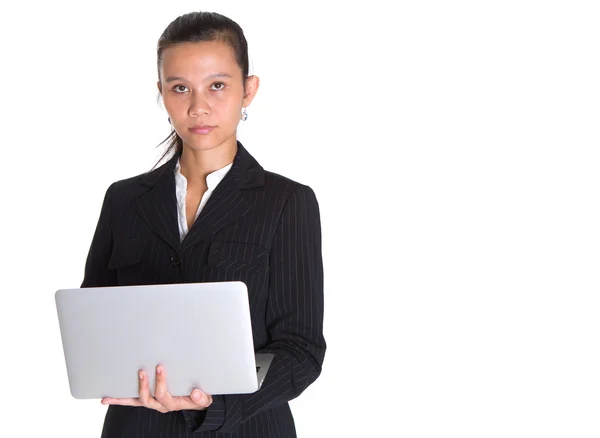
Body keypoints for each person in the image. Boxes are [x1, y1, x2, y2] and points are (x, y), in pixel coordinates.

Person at [79, 11, 326, 438]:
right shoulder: (124, 200)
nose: (198, 107)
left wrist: (215, 405)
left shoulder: (286, 202)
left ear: (248, 90)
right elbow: (93, 325)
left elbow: (300, 351)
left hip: (246, 427)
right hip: (137, 427)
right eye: (180, 88)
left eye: (217, 85)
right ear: (162, 93)